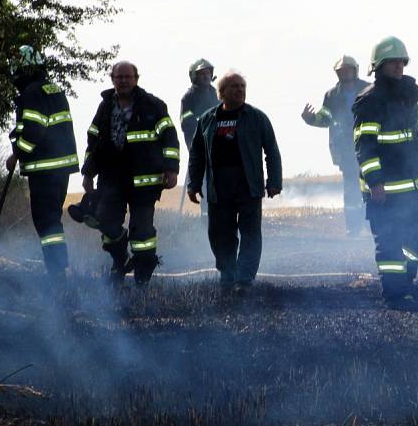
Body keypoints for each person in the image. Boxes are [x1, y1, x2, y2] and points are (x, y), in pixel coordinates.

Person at [81, 61, 180, 288]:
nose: (123, 80)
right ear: (112, 79)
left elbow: (170, 138)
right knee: (105, 221)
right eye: (119, 76)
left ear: (136, 78)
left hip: (144, 182)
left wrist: (171, 168)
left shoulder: (153, 106)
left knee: (142, 232)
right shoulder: (105, 107)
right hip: (111, 179)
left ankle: (143, 277)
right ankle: (120, 259)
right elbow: (93, 142)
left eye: (128, 76)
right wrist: (88, 173)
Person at [352, 36, 418, 309]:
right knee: (389, 244)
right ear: (379, 66)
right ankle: (395, 296)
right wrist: (375, 182)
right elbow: (365, 146)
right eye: (393, 62)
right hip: (384, 191)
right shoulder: (370, 101)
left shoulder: (408, 95)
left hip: (412, 186)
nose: (399, 66)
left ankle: (407, 283)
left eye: (402, 61)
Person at [187, 71, 282, 295]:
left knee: (250, 232)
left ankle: (244, 279)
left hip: (248, 183)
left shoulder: (257, 117)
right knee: (220, 232)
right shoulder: (208, 120)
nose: (239, 90)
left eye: (242, 86)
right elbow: (197, 155)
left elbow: (272, 151)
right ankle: (227, 274)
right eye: (233, 87)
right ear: (221, 93)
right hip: (218, 186)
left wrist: (274, 180)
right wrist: (193, 184)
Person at [6, 45, 79, 284]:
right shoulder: (53, 89)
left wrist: (17, 153)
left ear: (23, 69)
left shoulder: (31, 93)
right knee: (51, 217)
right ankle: (58, 268)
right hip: (59, 167)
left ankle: (57, 272)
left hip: (45, 168)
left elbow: (34, 130)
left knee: (46, 220)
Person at [301, 56, 369, 236]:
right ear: (338, 73)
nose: (345, 73)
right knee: (352, 191)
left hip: (369, 145)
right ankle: (353, 228)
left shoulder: (369, 89)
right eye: (342, 70)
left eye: (348, 69)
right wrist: (310, 119)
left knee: (372, 184)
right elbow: (325, 119)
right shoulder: (331, 95)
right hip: (346, 149)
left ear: (355, 70)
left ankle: (373, 225)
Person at [180, 58, 219, 216]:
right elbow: (186, 122)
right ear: (194, 76)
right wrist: (202, 123)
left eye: (208, 72)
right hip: (199, 145)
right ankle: (206, 215)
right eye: (202, 73)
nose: (206, 76)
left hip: (217, 143)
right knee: (204, 181)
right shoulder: (188, 96)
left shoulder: (213, 92)